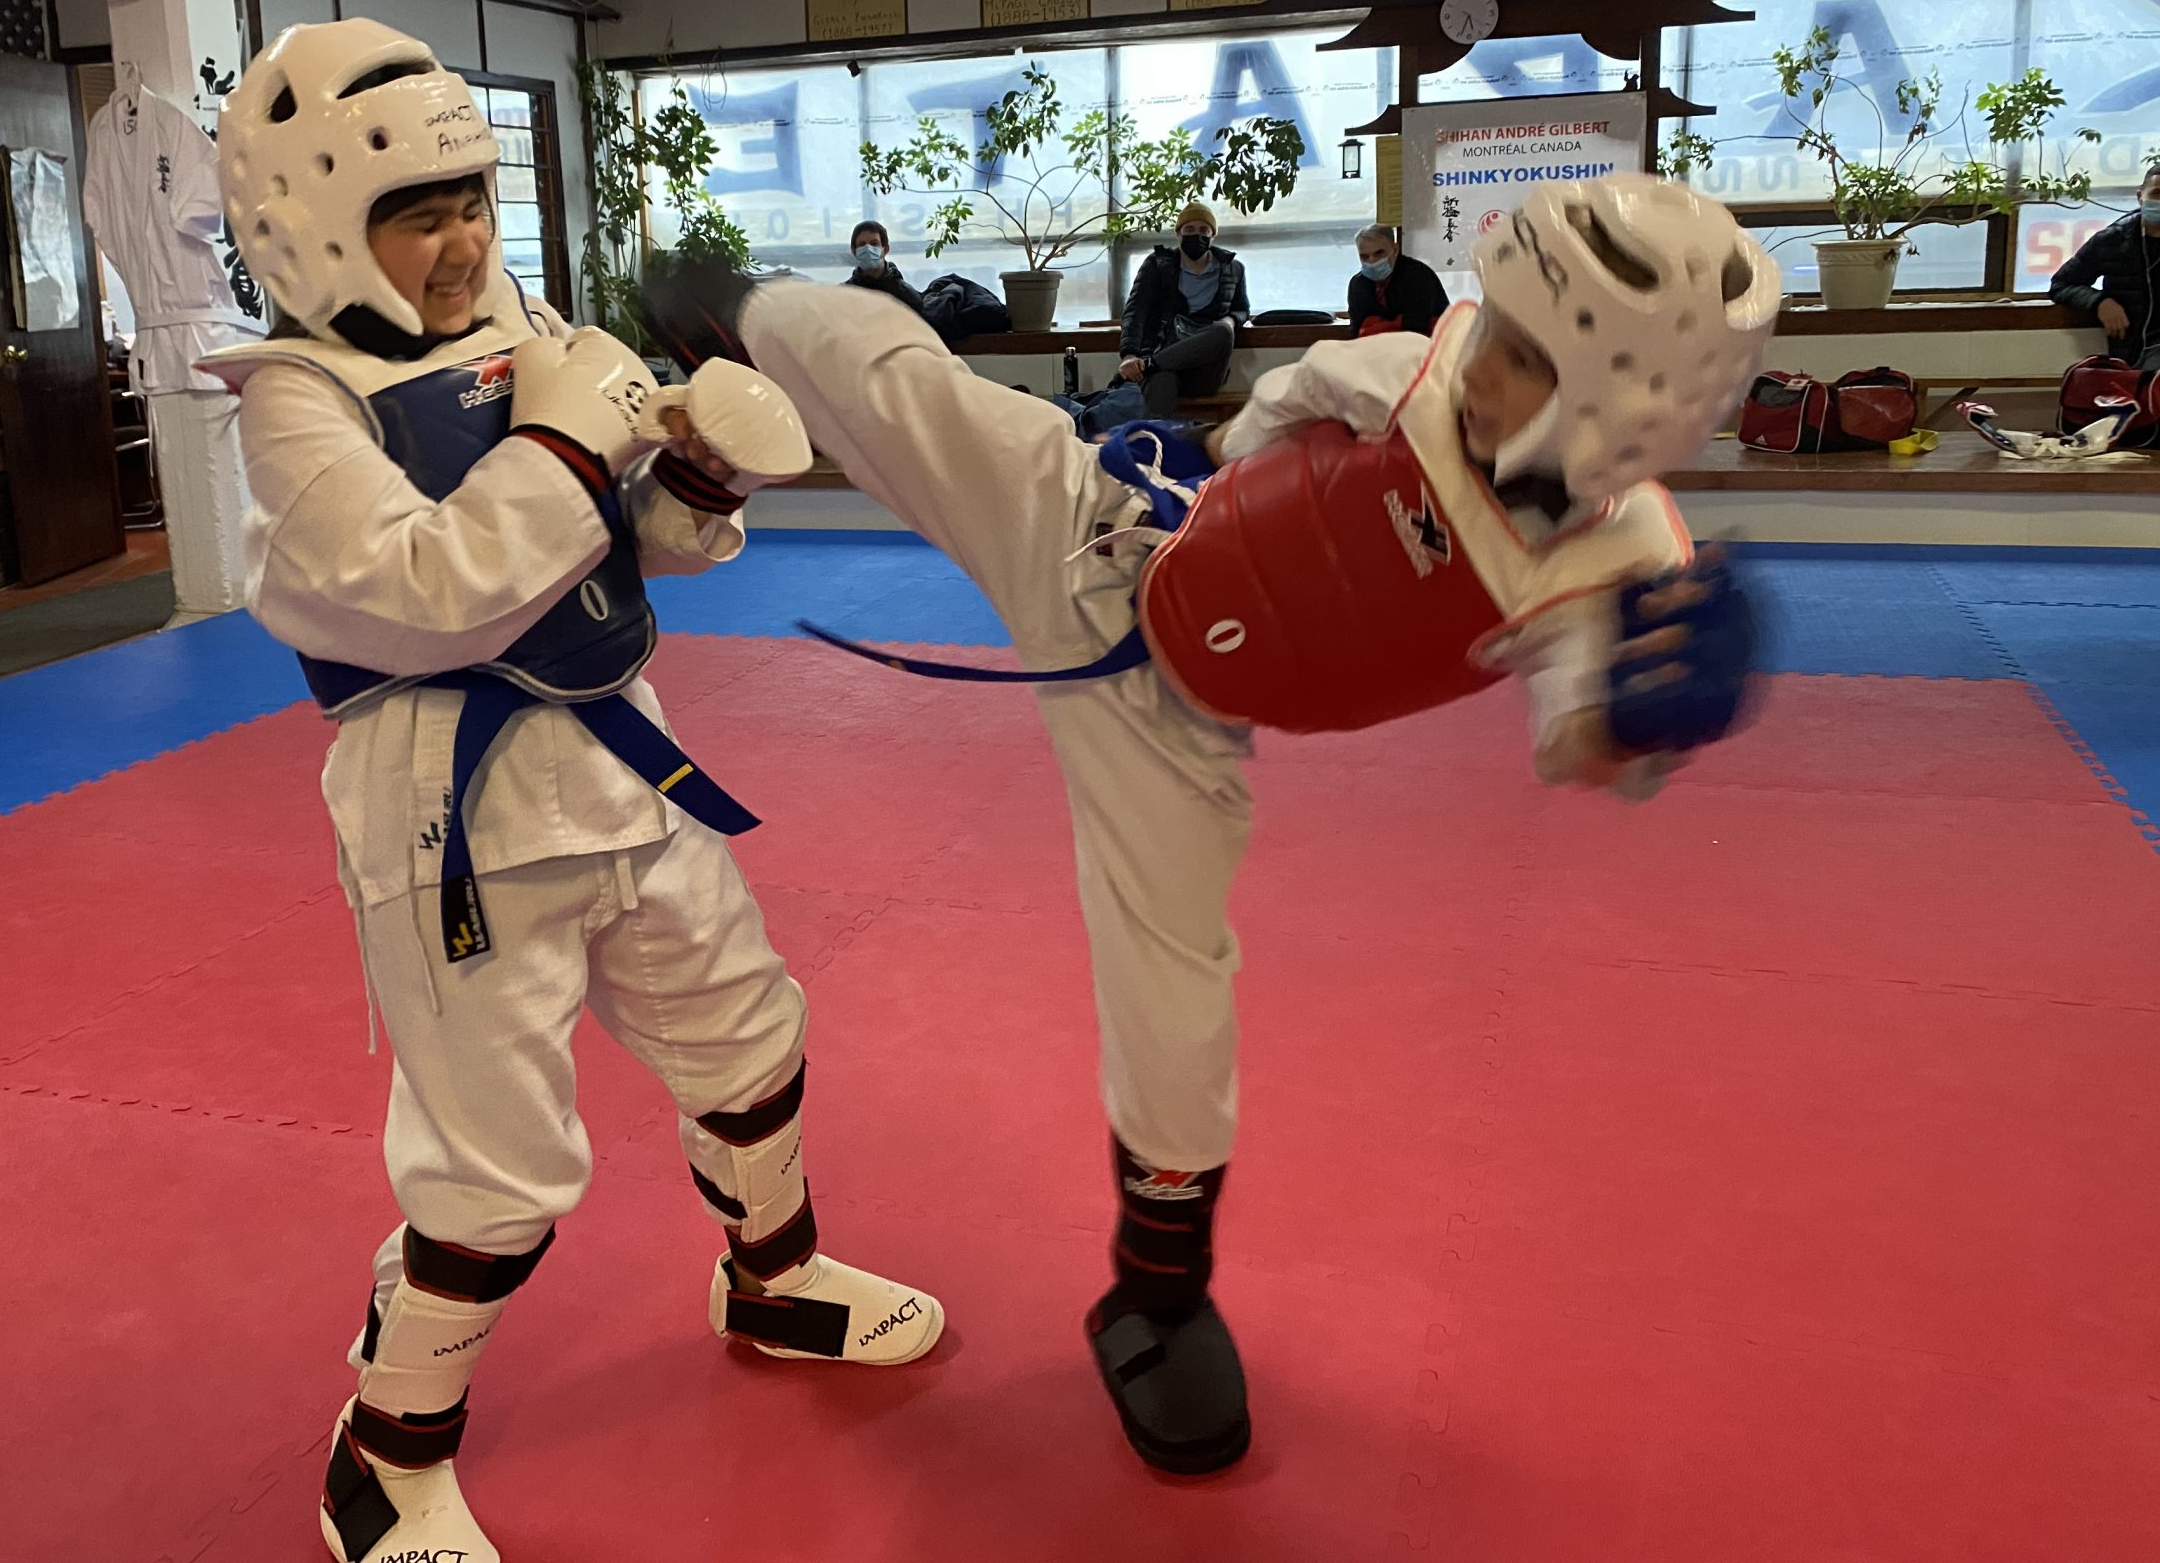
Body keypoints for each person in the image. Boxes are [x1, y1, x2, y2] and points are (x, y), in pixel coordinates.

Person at [641, 173, 1779, 1479]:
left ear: (1623, 412)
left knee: (1176, 993)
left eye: (1526, 359)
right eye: (1496, 324)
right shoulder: (1420, 365)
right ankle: (752, 313)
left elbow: (1571, 747)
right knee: (919, 392)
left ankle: (1159, 1295)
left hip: (1176, 728)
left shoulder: (1616, 576)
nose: (1482, 360)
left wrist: (1647, 716)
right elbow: (1280, 410)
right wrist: (1213, 463)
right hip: (1109, 537)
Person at [204, 19, 942, 1563]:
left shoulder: (525, 332)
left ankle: (773, 1283)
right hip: (450, 803)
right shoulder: (299, 396)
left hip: (619, 748)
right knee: (494, 1164)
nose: (462, 241)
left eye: (472, 201)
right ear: (317, 228)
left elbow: (621, 548)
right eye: (417, 215)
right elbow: (434, 592)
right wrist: (561, 428)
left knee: (748, 1028)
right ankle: (388, 1450)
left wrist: (695, 478)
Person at [2050, 160, 2160, 375]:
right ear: (2140, 196)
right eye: (2158, 193)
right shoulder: (2113, 240)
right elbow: (2061, 284)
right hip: (2138, 346)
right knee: (2155, 379)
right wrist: (2099, 301)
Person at [1119, 202, 1249, 416]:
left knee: (1223, 331)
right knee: (1161, 377)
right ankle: (1159, 436)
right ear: (1178, 233)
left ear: (1212, 235)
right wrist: (1129, 354)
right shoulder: (1157, 265)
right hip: (1165, 355)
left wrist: (1230, 320)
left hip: (1206, 369)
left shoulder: (1233, 269)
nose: (1197, 235)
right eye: (1189, 229)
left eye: (1204, 230)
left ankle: (1151, 365)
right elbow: (1136, 310)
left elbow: (1242, 309)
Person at [1346, 225, 1450, 337]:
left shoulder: (1419, 275)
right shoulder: (1357, 284)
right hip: (1373, 345)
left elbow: (1416, 326)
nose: (1372, 261)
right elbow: (1356, 329)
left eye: (1379, 253)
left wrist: (1375, 326)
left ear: (1395, 249)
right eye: (1364, 256)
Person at [842, 219, 923, 316]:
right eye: (862, 244)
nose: (868, 249)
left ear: (885, 249)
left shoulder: (906, 296)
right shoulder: (844, 294)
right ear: (854, 251)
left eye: (874, 243)